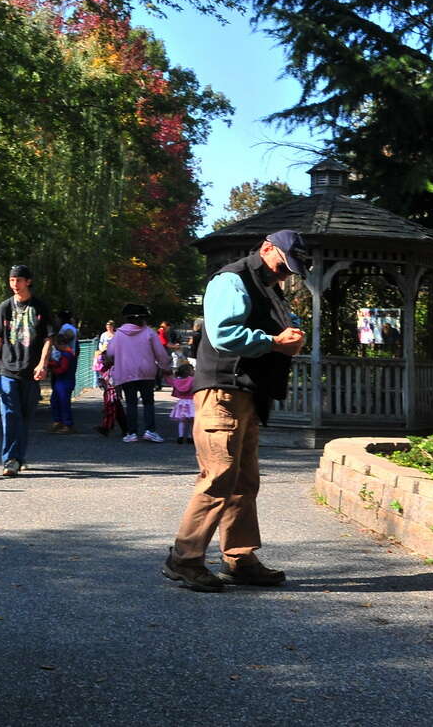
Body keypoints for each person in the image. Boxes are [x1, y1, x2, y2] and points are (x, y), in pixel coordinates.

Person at [162, 229, 308, 592]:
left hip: (244, 393)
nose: (284, 274)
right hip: (221, 392)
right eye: (282, 265)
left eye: (290, 270)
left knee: (243, 481)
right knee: (218, 477)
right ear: (266, 248)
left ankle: (240, 559)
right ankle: (184, 559)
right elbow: (224, 334)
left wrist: (287, 336)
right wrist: (274, 342)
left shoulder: (266, 286)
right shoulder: (231, 279)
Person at [0, 264, 51, 476]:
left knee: (25, 417)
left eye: (18, 280)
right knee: (10, 415)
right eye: (12, 280)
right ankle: (10, 459)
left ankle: (19, 457)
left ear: (28, 281)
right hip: (7, 370)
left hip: (30, 371)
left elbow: (49, 339)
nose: (14, 284)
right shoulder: (4, 307)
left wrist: (43, 364)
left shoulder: (40, 307)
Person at [102, 303, 172, 443]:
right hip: (147, 372)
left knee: (131, 403)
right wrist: (165, 367)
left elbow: (110, 353)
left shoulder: (119, 334)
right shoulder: (149, 333)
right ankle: (150, 431)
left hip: (126, 372)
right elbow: (160, 353)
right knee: (148, 402)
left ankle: (132, 433)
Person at [46, 327, 78, 434]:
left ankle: (67, 424)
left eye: (56, 345)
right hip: (62, 382)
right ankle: (59, 421)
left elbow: (62, 369)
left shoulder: (66, 355)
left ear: (61, 344)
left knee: (63, 403)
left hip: (64, 382)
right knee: (55, 401)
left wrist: (52, 368)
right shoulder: (69, 353)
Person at [168, 362, 195, 444]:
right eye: (192, 369)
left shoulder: (177, 381)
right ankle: (190, 437)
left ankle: (180, 436)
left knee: (181, 421)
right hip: (192, 403)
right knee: (192, 422)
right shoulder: (193, 380)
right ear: (189, 372)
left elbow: (170, 382)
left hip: (181, 403)